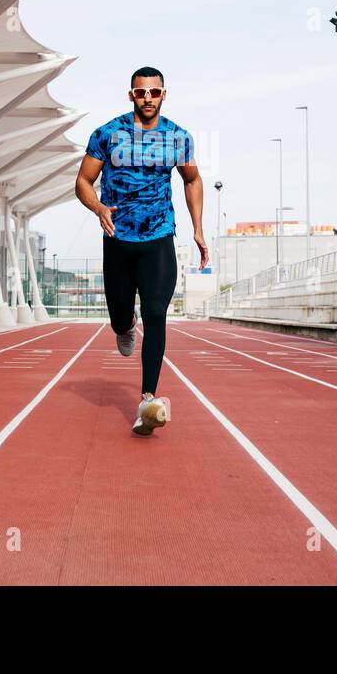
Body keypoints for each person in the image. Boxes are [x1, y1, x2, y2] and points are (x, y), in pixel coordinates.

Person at [76, 66, 208, 436]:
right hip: (118, 239)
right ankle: (123, 326)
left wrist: (197, 229)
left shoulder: (177, 137)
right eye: (140, 92)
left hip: (159, 238)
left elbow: (193, 179)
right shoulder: (107, 134)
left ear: (164, 94)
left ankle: (148, 399)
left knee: (156, 312)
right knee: (121, 315)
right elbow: (83, 182)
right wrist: (99, 208)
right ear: (130, 95)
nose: (147, 98)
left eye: (154, 92)